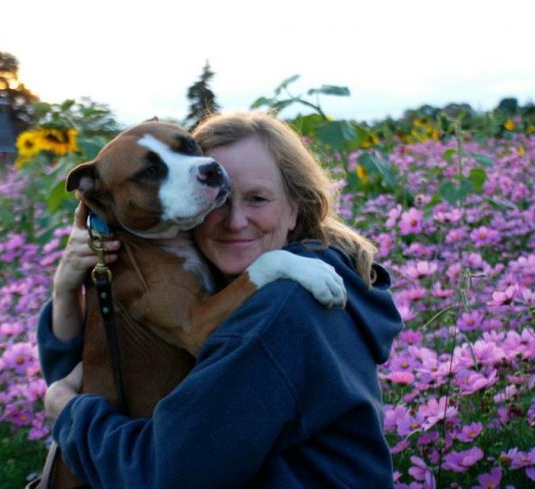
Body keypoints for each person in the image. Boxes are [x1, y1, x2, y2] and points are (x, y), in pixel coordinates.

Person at [38, 112, 404, 488]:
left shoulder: (279, 311)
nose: (234, 221)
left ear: (296, 207)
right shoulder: (311, 270)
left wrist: (68, 413)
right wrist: (66, 291)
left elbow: (165, 476)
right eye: (217, 201)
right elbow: (102, 370)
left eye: (257, 199)